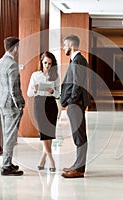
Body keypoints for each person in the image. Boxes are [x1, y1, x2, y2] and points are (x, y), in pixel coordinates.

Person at [0, 36, 25, 176]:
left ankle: (8, 163)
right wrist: (20, 104)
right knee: (10, 136)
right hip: (11, 105)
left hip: (1, 103)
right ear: (16, 47)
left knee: (7, 134)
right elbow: (14, 88)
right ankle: (6, 166)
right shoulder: (12, 64)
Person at [60, 35, 90, 178]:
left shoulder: (78, 60)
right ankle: (78, 164)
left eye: (65, 45)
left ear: (71, 45)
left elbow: (77, 84)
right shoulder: (76, 60)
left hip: (76, 104)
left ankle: (79, 169)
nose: (63, 48)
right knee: (77, 135)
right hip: (74, 103)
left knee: (79, 136)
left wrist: (71, 100)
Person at [27, 51, 60, 172]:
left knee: (50, 133)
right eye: (45, 63)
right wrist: (35, 89)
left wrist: (53, 92)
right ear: (41, 62)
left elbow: (59, 94)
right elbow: (29, 93)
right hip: (39, 104)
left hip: (51, 104)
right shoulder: (35, 75)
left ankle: (43, 159)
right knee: (43, 132)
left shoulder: (55, 76)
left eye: (50, 63)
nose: (47, 65)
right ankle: (51, 160)